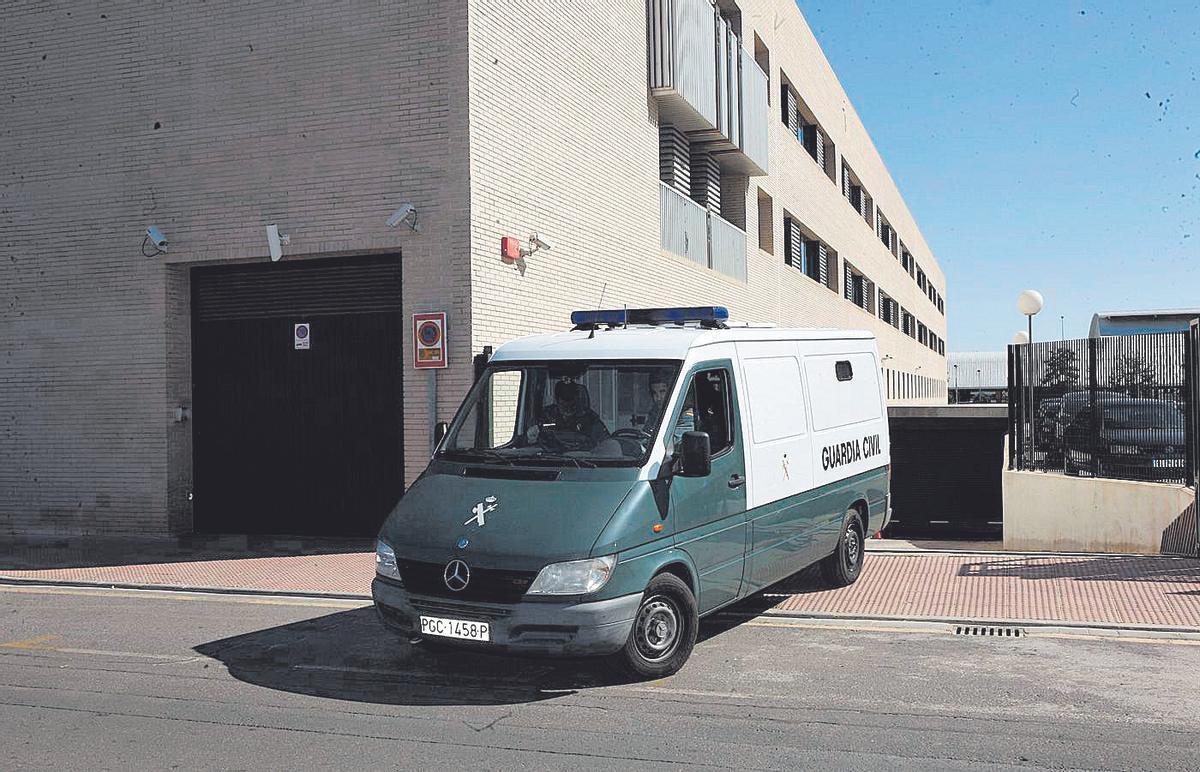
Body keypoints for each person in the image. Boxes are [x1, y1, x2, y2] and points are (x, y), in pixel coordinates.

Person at [541, 379, 610, 449]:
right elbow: (539, 433)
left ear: (577, 399)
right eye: (564, 405)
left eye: (572, 405)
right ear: (557, 401)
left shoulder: (590, 418)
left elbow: (606, 442)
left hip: (584, 457)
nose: (568, 409)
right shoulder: (548, 415)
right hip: (552, 457)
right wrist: (555, 426)